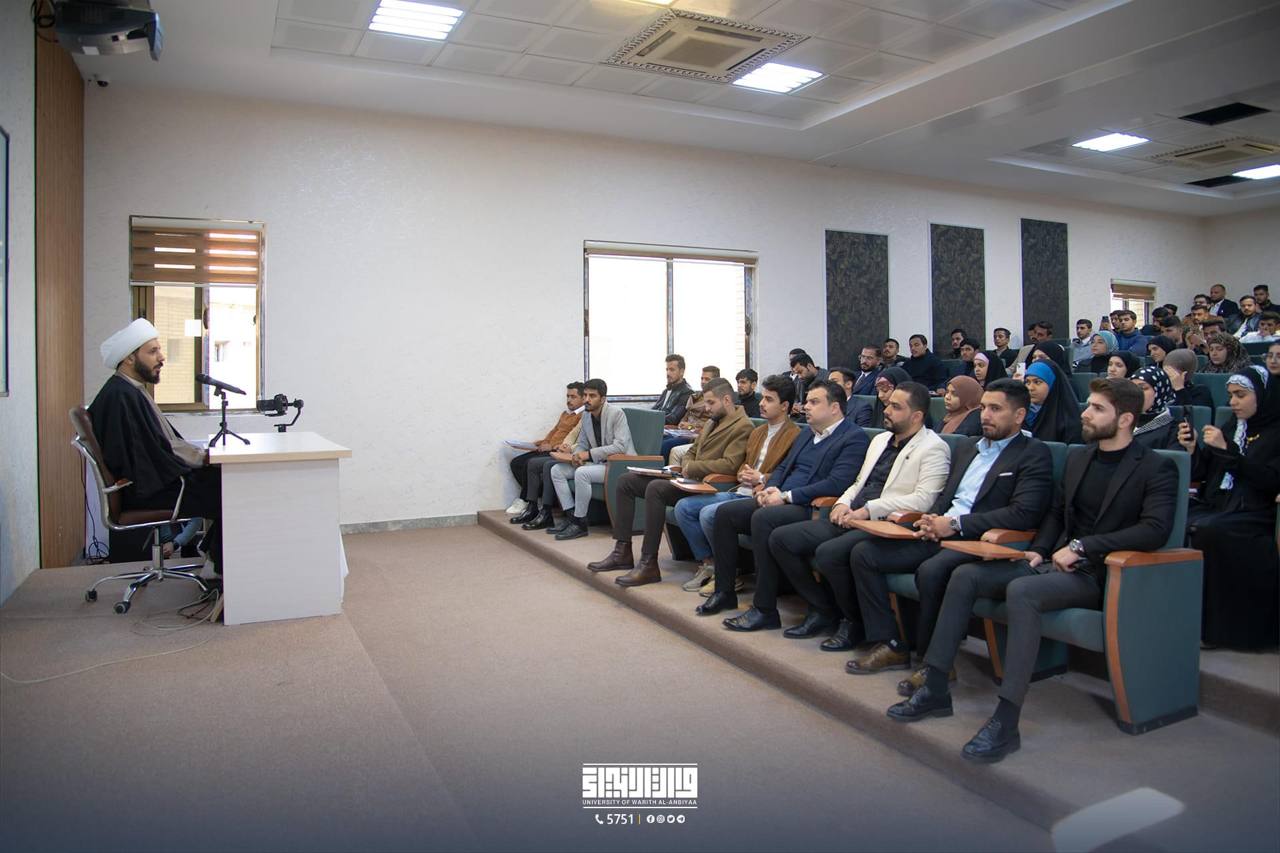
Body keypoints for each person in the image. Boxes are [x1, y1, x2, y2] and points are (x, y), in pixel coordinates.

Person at [889, 378, 1178, 763]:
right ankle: (936, 685)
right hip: (1054, 565)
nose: (1085, 413)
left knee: (1022, 592)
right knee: (966, 576)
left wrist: (1083, 547)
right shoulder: (1080, 458)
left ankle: (1006, 719)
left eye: (1097, 409)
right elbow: (1057, 513)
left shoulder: (1156, 467)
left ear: (1125, 419)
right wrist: (1039, 551)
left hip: (1102, 574)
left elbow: (1155, 529)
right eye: (1088, 405)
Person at [845, 380, 1053, 682]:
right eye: (984, 407)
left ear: (1019, 415)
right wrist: (931, 519)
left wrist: (954, 524)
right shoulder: (969, 446)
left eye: (996, 409)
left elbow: (1023, 513)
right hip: (942, 530)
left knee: (932, 571)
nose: (986, 415)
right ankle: (890, 643)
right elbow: (947, 496)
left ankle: (933, 662)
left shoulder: (1033, 453)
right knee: (865, 553)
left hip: (981, 539)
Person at [765, 382, 950, 643]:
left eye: (896, 407)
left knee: (830, 553)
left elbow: (924, 499)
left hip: (885, 523)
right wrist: (842, 503)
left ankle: (853, 622)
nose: (886, 410)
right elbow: (858, 482)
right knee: (782, 539)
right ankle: (823, 608)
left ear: (916, 416)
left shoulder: (933, 447)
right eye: (888, 404)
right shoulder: (880, 440)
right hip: (853, 515)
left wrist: (868, 510)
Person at [696, 381, 869, 619]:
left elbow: (836, 483)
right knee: (725, 514)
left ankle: (764, 609)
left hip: (810, 506)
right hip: (782, 497)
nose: (806, 407)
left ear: (834, 408)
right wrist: (770, 488)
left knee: (763, 518)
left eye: (814, 402)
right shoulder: (807, 433)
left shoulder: (853, 437)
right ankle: (724, 592)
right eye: (806, 401)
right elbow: (784, 467)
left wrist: (786, 496)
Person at [587, 378, 753, 587]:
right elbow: (692, 450)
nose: (706, 408)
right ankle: (622, 551)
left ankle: (649, 564)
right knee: (626, 481)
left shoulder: (743, 426)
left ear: (727, 400)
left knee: (656, 489)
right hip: (690, 480)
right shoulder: (713, 420)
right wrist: (685, 465)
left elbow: (730, 465)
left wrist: (692, 467)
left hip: (711, 486)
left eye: (711, 403)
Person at [89, 319, 222, 570]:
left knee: (223, 480)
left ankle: (214, 558)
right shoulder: (122, 396)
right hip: (149, 493)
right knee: (231, 489)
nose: (161, 357)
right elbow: (154, 454)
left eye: (159, 350)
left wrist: (202, 458)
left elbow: (160, 446)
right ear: (129, 358)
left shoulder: (128, 390)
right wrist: (202, 459)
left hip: (150, 487)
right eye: (152, 351)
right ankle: (222, 567)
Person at [1178, 365, 1279, 650]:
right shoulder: (1232, 427)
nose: (1233, 402)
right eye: (1231, 395)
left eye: (1241, 395)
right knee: (1175, 518)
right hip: (1220, 504)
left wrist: (1227, 451)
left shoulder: (1276, 432)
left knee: (1211, 530)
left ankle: (1219, 630)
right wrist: (1193, 449)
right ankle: (1180, 619)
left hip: (1256, 511)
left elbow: (1270, 480)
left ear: (1262, 396)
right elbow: (1206, 472)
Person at [673, 376, 801, 594]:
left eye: (769, 399)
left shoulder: (794, 435)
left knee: (709, 513)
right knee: (684, 507)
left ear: (784, 406)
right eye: (763, 398)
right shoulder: (758, 432)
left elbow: (789, 473)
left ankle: (728, 573)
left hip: (761, 495)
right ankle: (711, 564)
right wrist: (744, 473)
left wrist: (761, 478)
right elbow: (742, 465)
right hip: (739, 490)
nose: (761, 403)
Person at [547, 379, 634, 541]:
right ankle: (572, 517)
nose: (587, 399)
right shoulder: (586, 416)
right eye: (585, 395)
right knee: (557, 470)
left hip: (618, 464)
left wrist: (587, 455)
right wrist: (577, 456)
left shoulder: (616, 414)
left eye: (592, 396)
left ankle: (580, 524)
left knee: (582, 473)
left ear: (603, 399)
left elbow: (620, 447)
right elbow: (582, 444)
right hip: (598, 463)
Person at [509, 383, 584, 522]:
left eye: (573, 397)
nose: (569, 400)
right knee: (516, 463)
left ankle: (526, 500)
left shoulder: (582, 416)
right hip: (550, 447)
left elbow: (574, 439)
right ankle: (535, 499)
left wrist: (552, 446)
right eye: (567, 396)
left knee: (530, 463)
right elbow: (554, 431)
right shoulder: (565, 414)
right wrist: (542, 442)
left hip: (558, 450)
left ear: (582, 398)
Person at [661, 366, 719, 460]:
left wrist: (690, 426)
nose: (703, 382)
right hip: (683, 432)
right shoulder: (696, 397)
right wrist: (681, 424)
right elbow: (686, 416)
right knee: (658, 439)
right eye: (702, 378)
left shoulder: (716, 401)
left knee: (665, 445)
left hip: (696, 436)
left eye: (707, 379)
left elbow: (711, 425)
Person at [1024, 361, 1082, 444]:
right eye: (1027, 382)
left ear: (1052, 384)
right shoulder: (1020, 414)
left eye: (1037, 382)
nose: (1030, 388)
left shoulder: (1069, 421)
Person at [1130, 365, 1180, 450]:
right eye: (1132, 388)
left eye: (1142, 388)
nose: (1135, 393)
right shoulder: (1122, 420)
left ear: (1159, 391)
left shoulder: (1174, 430)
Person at [653, 354, 695, 425]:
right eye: (667, 369)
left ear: (682, 372)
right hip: (658, 425)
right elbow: (653, 410)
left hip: (668, 429)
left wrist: (651, 419)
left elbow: (674, 418)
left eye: (672, 370)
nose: (668, 373)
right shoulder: (666, 391)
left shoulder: (687, 392)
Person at [788, 353, 829, 422]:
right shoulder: (800, 380)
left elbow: (826, 403)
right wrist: (794, 406)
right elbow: (797, 399)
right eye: (797, 374)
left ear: (809, 366)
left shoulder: (828, 379)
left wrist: (803, 407)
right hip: (801, 417)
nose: (799, 376)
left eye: (800, 372)